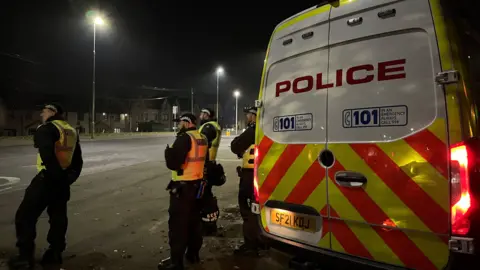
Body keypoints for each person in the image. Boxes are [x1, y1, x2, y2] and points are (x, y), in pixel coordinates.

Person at [9, 103, 83, 270]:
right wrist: (67, 179)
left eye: (45, 111)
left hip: (46, 180)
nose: (42, 113)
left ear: (53, 112)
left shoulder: (46, 128)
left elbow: (47, 156)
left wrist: (54, 177)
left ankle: (25, 257)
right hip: (63, 182)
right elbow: (77, 161)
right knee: (58, 219)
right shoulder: (71, 131)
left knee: (25, 216)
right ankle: (54, 254)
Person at [159, 113, 208, 270]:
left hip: (183, 187)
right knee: (194, 223)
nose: (178, 125)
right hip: (197, 186)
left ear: (186, 123)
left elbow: (173, 163)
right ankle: (193, 255)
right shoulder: (201, 137)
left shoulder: (185, 138)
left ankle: (176, 263)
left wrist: (168, 152)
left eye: (180, 122)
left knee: (178, 225)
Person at [230, 106, 267, 256]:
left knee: (247, 209)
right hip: (262, 174)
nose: (247, 118)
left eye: (249, 115)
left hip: (249, 176)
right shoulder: (266, 130)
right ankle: (262, 240)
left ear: (254, 116)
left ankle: (251, 245)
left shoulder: (253, 130)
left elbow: (235, 145)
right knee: (258, 209)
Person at [198, 108, 225, 236]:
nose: (201, 115)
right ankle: (209, 222)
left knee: (203, 195)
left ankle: (208, 225)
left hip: (205, 164)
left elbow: (200, 142)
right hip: (209, 163)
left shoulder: (209, 127)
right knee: (206, 193)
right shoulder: (212, 126)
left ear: (208, 116)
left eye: (204, 114)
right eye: (201, 113)